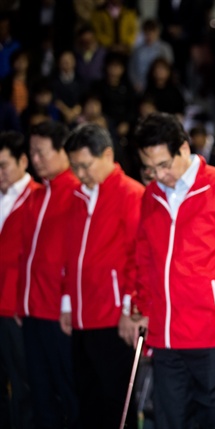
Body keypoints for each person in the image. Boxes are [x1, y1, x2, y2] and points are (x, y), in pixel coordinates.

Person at [120, 112, 215, 429]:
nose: (158, 174)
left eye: (164, 164)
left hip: (212, 329)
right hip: (164, 333)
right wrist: (142, 308)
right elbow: (144, 257)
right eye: (150, 168)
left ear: (183, 149)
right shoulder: (152, 195)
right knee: (171, 417)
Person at [60, 124, 144, 429]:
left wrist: (129, 310)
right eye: (75, 167)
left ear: (107, 154)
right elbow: (71, 254)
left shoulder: (131, 194)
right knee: (87, 399)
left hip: (113, 319)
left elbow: (139, 257)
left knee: (117, 406)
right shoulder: (78, 196)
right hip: (82, 317)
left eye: (85, 165)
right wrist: (68, 302)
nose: (80, 173)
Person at [17, 120, 80, 429]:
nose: (35, 160)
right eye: (32, 153)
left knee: (69, 392)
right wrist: (21, 302)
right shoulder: (36, 196)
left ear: (62, 152)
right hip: (32, 312)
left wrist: (68, 302)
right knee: (40, 393)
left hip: (59, 313)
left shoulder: (77, 193)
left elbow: (75, 255)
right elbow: (25, 256)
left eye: (41, 153)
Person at [0, 131, 38, 429]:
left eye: (3, 165)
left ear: (23, 161)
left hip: (17, 306)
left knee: (23, 382)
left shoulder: (38, 197)